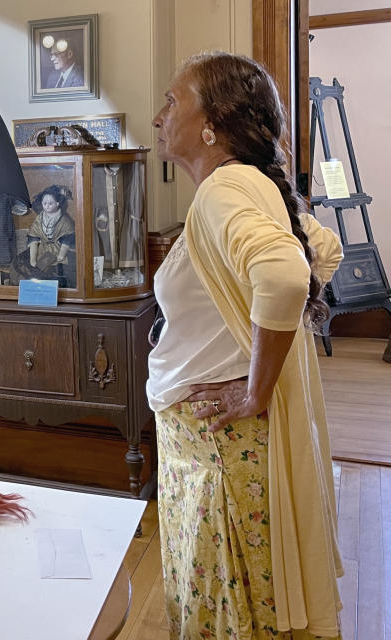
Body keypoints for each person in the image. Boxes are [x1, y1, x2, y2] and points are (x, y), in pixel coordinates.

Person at [148, 51, 344, 639]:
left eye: (172, 101)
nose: (160, 116)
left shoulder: (223, 188)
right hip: (210, 443)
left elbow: (286, 274)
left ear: (214, 123)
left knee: (227, 608)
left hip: (218, 445)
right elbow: (322, 251)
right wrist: (236, 334)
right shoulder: (247, 184)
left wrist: (255, 385)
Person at [10, 184, 75, 287]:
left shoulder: (65, 221)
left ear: (57, 203)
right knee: (21, 264)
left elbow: (67, 239)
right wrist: (32, 258)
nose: (47, 206)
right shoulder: (39, 219)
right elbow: (34, 237)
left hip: (60, 249)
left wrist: (61, 255)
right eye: (44, 203)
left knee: (59, 271)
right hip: (42, 249)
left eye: (50, 203)